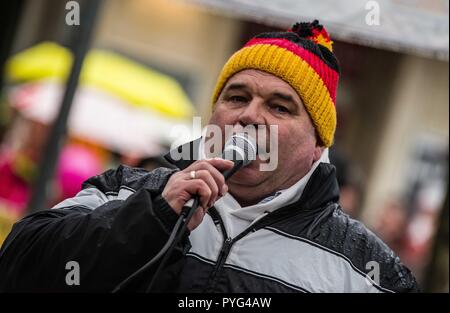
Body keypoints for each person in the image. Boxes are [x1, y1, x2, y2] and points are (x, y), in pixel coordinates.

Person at [0, 20, 419, 292]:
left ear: (317, 145)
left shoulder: (365, 269)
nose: (249, 116)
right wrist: (150, 217)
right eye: (237, 97)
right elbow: (20, 263)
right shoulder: (127, 190)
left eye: (279, 106)